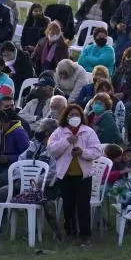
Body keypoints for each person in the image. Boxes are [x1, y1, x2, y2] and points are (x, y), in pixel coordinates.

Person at [48, 104, 103, 246]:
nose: (74, 117)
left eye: (77, 115)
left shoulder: (88, 132)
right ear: (66, 116)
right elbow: (52, 150)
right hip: (65, 175)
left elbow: (97, 151)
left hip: (84, 176)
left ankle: (85, 235)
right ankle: (70, 232)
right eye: (71, 115)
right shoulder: (59, 132)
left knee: (83, 206)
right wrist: (67, 141)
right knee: (68, 205)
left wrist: (82, 153)